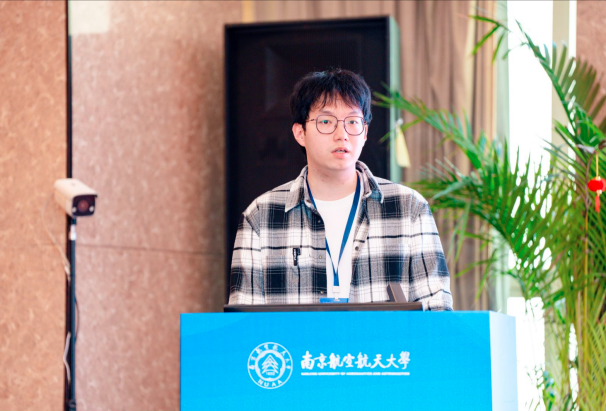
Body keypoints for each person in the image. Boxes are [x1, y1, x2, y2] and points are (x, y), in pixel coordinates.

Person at [228, 69, 452, 310]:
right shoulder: (261, 216)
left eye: (353, 122)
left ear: (365, 133)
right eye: (326, 121)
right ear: (300, 133)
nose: (342, 134)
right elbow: (244, 324)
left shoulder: (409, 208)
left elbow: (437, 314)